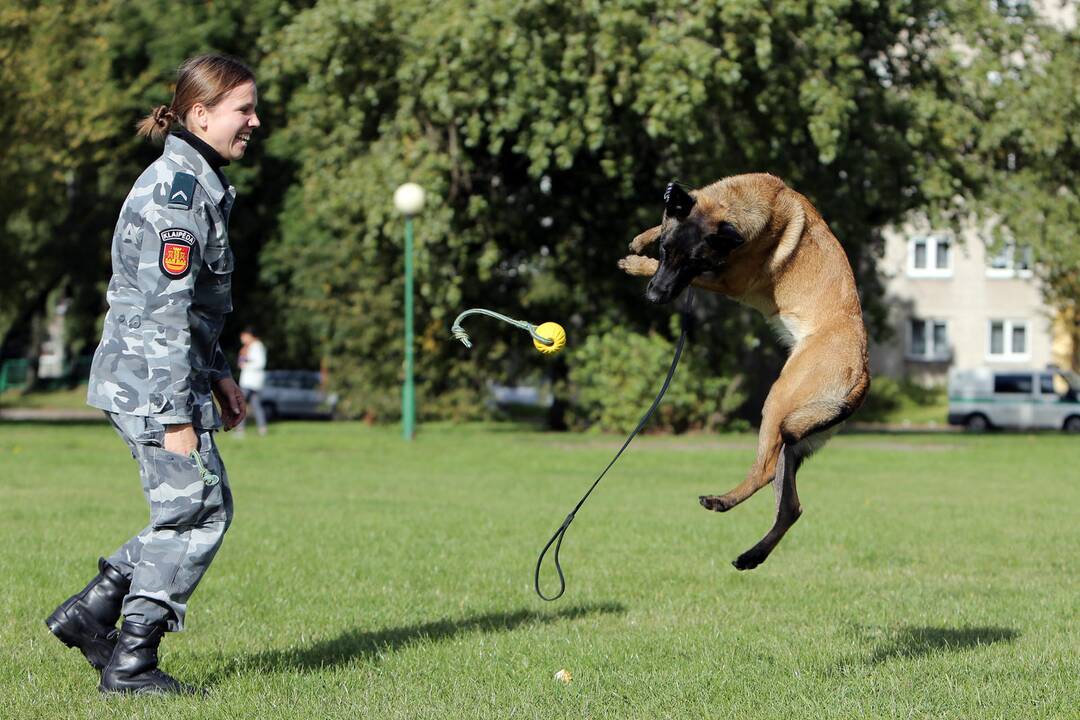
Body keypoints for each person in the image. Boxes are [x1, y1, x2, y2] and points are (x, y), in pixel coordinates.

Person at [45, 54, 259, 696]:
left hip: (166, 375)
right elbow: (164, 314)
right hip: (151, 382)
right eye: (242, 109)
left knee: (197, 506)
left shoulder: (199, 182)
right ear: (200, 113)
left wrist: (218, 372)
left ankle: (94, 612)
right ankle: (131, 661)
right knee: (195, 512)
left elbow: (193, 308)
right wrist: (173, 416)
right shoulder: (177, 194)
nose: (254, 121)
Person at [236, 328, 268, 436]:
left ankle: (240, 430)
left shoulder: (257, 346)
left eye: (243, 336)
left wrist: (245, 365)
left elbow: (260, 363)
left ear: (249, 335)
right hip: (251, 381)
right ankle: (262, 429)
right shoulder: (248, 347)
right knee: (256, 405)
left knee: (240, 404)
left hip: (251, 381)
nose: (242, 339)